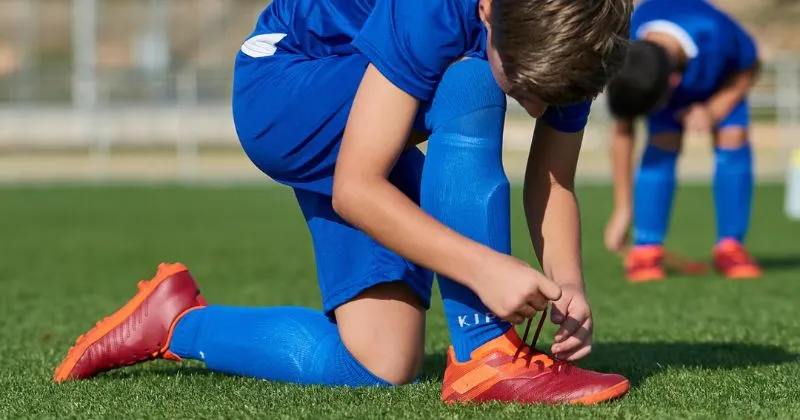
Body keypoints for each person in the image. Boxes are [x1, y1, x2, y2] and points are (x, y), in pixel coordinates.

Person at [54, 0, 633, 405]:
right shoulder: (438, 10)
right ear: (486, 9)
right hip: (283, 90)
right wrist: (486, 269)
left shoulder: (575, 31)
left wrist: (569, 282)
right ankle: (485, 355)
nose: (535, 110)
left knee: (380, 362)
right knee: (472, 79)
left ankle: (176, 322)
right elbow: (358, 188)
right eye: (527, 90)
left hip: (373, 121)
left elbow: (554, 181)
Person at [604, 0, 762, 282]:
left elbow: (750, 68)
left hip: (722, 81)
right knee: (664, 141)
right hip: (663, 75)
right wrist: (623, 209)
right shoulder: (626, 48)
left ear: (674, 82)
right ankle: (647, 248)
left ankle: (731, 246)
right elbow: (622, 131)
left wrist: (714, 110)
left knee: (733, 136)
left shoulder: (718, 32)